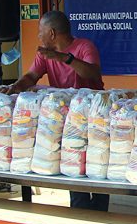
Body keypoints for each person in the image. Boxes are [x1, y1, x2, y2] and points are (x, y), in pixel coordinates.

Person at [7, 11, 105, 210]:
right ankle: (81, 213)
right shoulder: (44, 54)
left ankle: (101, 210)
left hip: (93, 117)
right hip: (66, 118)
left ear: (52, 33)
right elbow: (31, 77)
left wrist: (63, 58)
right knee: (73, 163)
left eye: (40, 31)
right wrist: (14, 88)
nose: (38, 36)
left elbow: (92, 73)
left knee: (97, 163)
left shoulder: (85, 46)